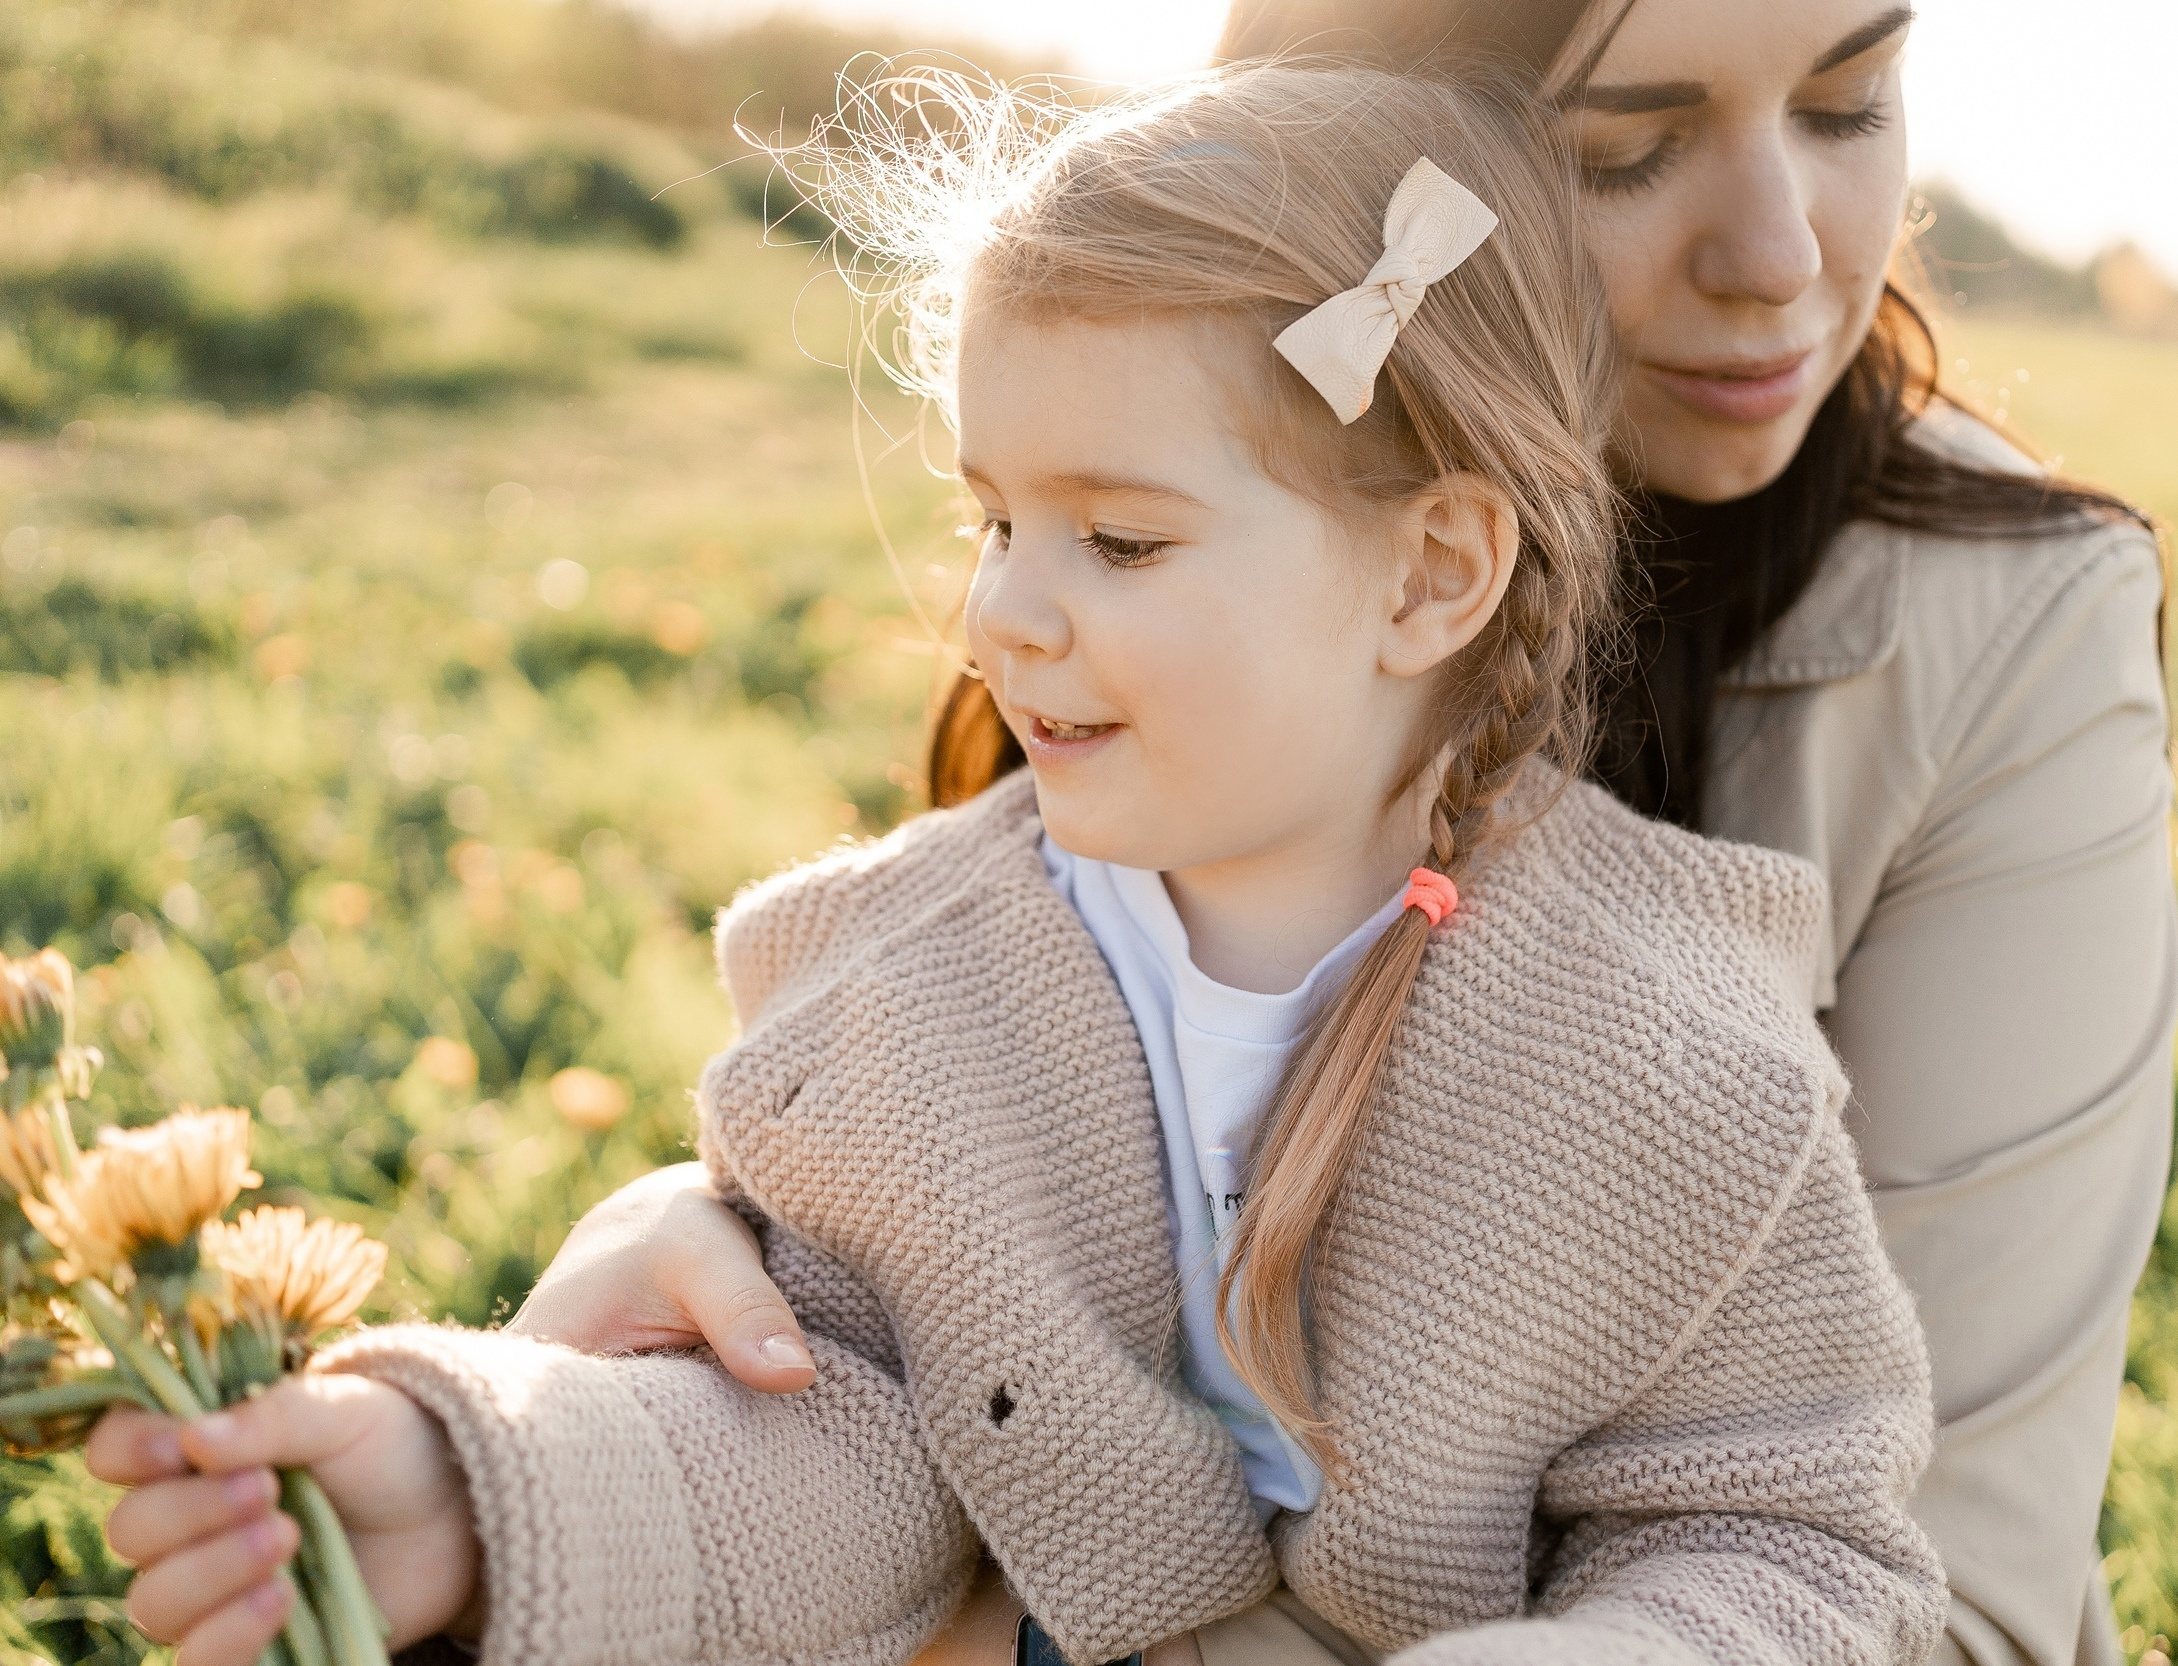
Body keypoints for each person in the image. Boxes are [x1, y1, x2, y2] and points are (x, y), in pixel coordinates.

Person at [90, 62, 1950, 1666]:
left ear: (1432, 573)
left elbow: (1788, 1540)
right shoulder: (914, 988)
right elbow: (837, 1435)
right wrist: (476, 1493)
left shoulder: (1674, 1062)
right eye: (993, 516)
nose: (997, 612)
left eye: (1118, 544)